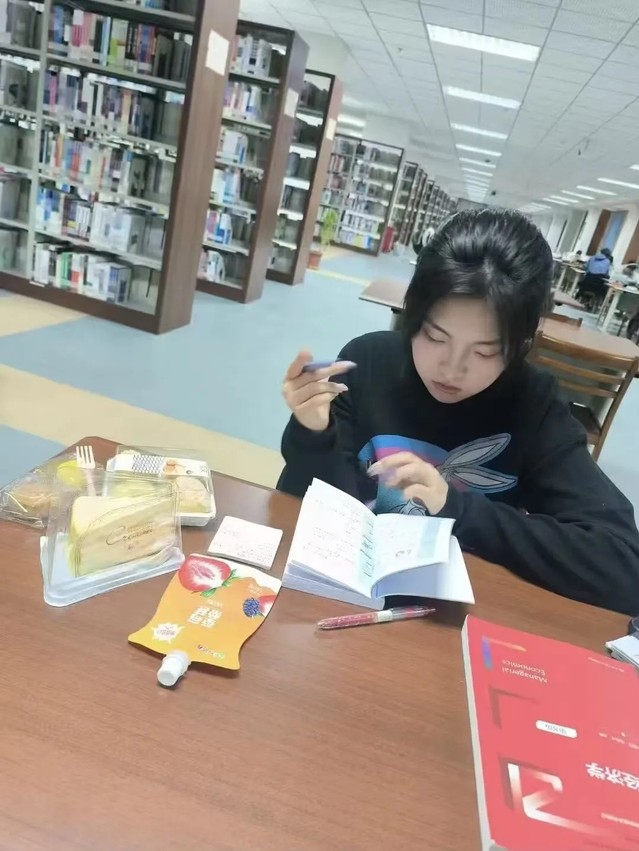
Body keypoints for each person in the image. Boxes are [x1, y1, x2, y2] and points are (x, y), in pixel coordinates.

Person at [278, 209, 639, 615]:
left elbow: (624, 566)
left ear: (521, 345)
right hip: (342, 601)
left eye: (485, 352)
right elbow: (307, 513)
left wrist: (457, 508)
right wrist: (313, 435)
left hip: (456, 620)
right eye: (435, 337)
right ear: (413, 313)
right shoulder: (368, 362)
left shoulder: (532, 404)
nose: (451, 369)